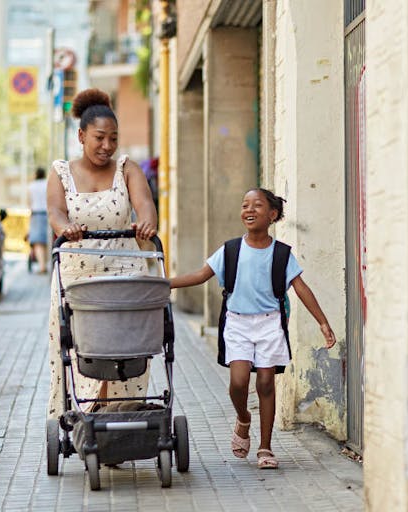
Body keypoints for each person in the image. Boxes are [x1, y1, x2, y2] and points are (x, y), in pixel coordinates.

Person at [170, 188, 336, 469]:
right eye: (245, 204)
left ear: (272, 215)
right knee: (238, 381)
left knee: (266, 383)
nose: (249, 209)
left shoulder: (282, 254)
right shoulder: (231, 249)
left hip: (270, 322)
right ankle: (244, 419)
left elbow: (301, 288)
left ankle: (265, 447)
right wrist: (165, 284)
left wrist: (322, 321)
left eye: (257, 205)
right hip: (237, 322)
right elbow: (200, 275)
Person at [45, 88, 158, 419]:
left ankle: (121, 417)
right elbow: (55, 211)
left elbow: (145, 206)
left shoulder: (127, 169)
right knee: (81, 349)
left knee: (124, 348)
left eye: (113, 138)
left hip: (123, 272)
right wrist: (66, 228)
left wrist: (147, 224)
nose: (107, 146)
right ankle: (89, 419)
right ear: (81, 135)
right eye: (99, 138)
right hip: (76, 279)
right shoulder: (61, 172)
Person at [27, 167, 49, 274]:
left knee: (38, 242)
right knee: (46, 241)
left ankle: (42, 267)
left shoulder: (32, 186)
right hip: (48, 214)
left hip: (36, 214)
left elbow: (30, 203)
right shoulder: (47, 184)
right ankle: (44, 264)